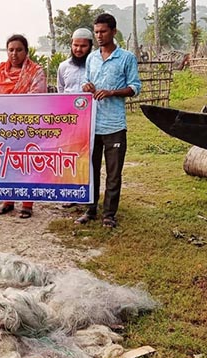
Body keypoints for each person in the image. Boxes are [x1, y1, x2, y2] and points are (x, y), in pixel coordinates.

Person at [75, 13, 141, 229]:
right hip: (92, 124)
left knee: (113, 173)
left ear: (113, 31)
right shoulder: (92, 58)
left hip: (114, 125)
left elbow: (135, 88)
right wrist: (87, 86)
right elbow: (87, 80)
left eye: (103, 31)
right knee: (91, 170)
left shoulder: (126, 58)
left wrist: (112, 92)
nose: (99, 35)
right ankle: (90, 209)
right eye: (96, 32)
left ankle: (109, 214)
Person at [0, 34, 47, 219]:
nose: (14, 54)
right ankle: (8, 201)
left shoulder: (36, 71)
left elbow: (35, 98)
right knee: (7, 163)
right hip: (4, 127)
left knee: (26, 163)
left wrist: (10, 106)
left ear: (26, 52)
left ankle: (27, 204)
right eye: (11, 50)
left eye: (19, 50)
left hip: (27, 126)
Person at [57, 28, 94, 209]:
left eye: (83, 46)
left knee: (90, 158)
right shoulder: (63, 67)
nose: (79, 49)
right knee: (70, 157)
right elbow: (61, 92)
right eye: (75, 45)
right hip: (70, 122)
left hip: (92, 121)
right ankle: (71, 193)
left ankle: (89, 195)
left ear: (90, 46)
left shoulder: (95, 66)